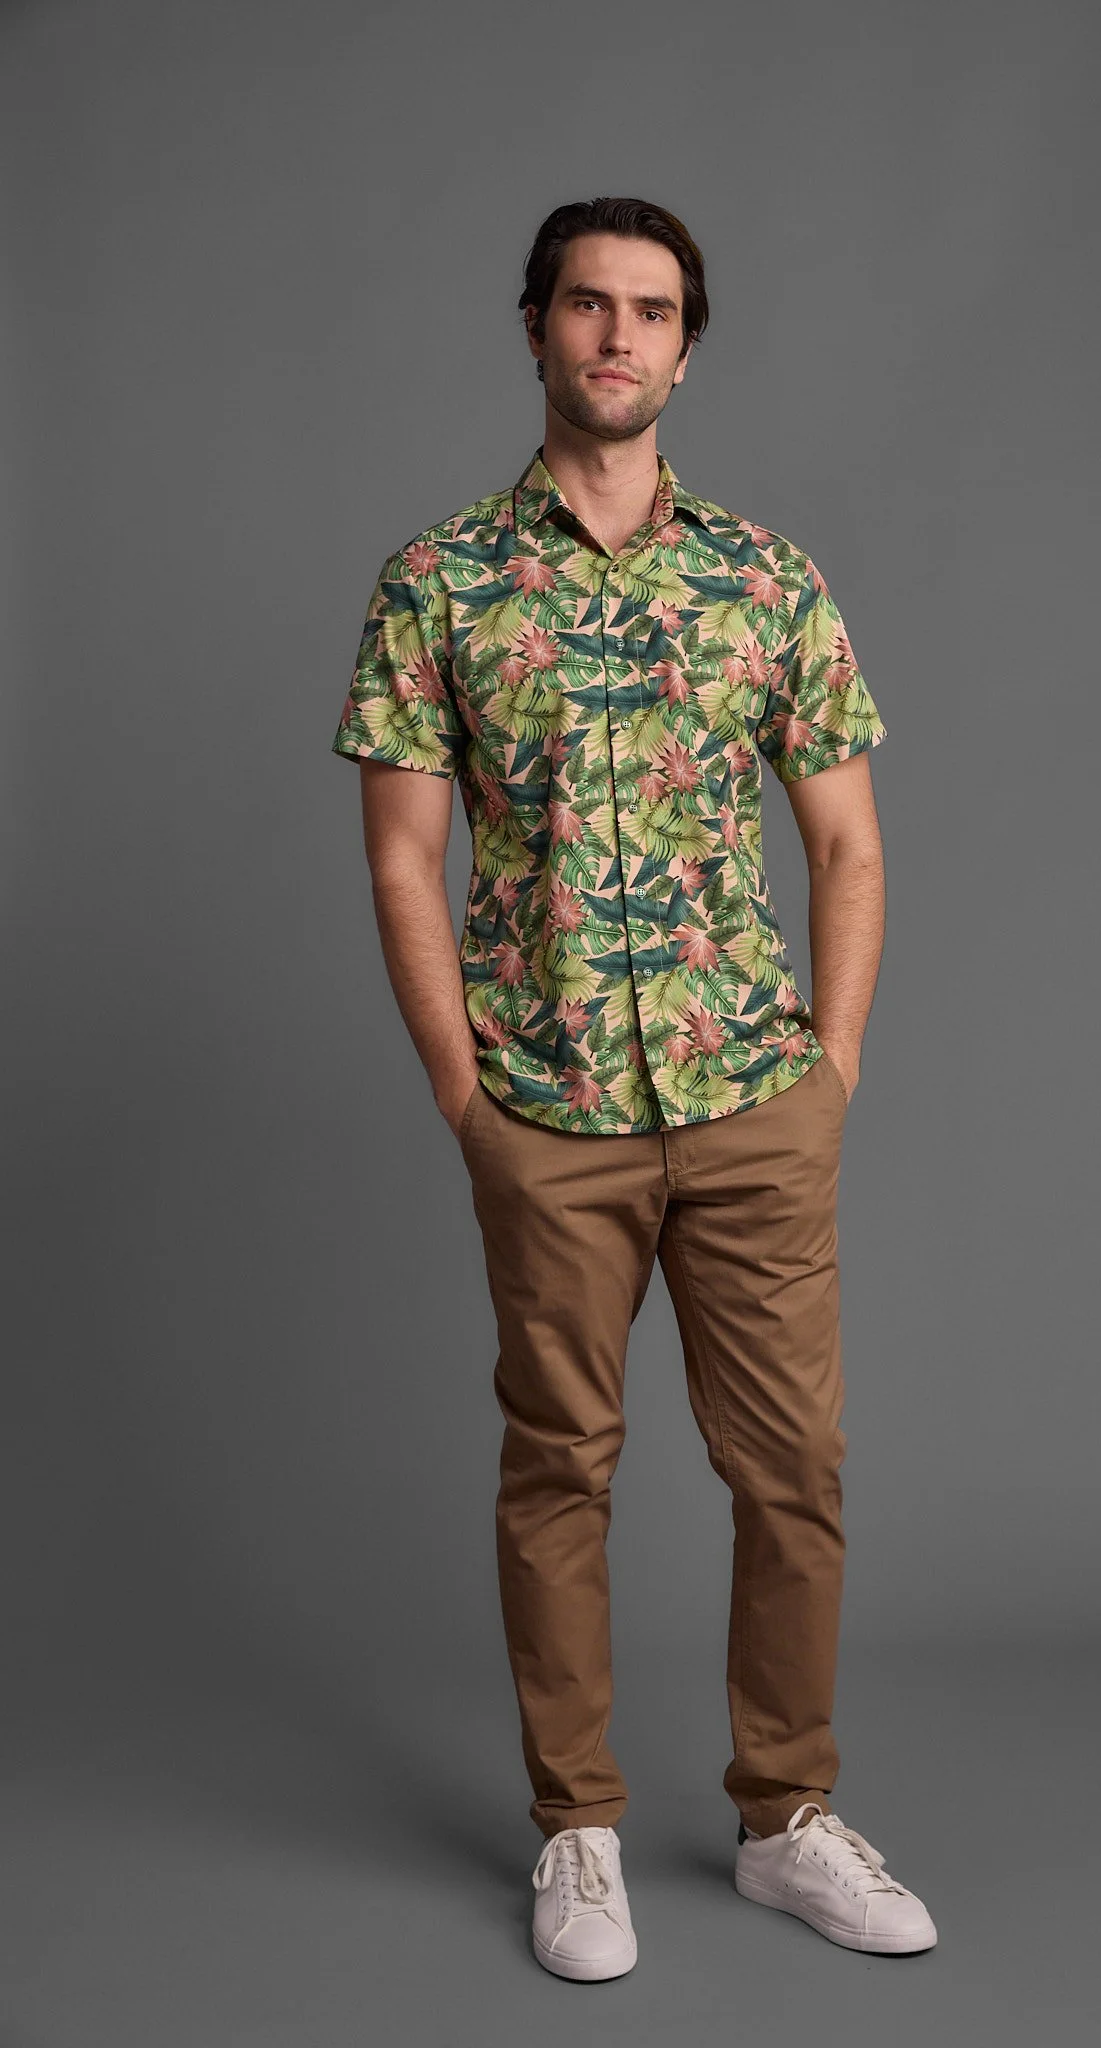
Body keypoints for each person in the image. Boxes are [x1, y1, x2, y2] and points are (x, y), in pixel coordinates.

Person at [330, 195, 937, 1980]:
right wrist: (467, 1097)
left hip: (752, 1102)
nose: (617, 336)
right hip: (549, 1110)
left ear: (686, 346)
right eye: (585, 305)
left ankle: (784, 1819)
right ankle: (576, 1832)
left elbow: (847, 843)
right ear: (532, 329)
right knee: (558, 1470)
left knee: (795, 1473)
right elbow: (398, 860)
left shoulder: (766, 578)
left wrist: (825, 1072)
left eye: (652, 311)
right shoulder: (438, 582)